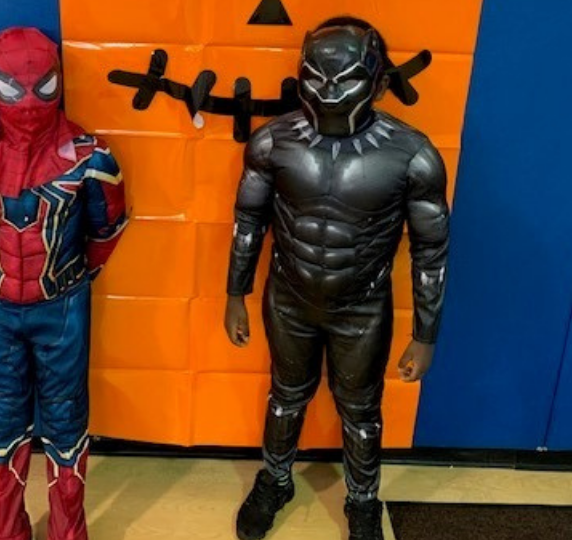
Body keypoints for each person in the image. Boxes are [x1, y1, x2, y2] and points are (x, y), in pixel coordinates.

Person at [223, 17, 450, 540]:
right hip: (289, 297)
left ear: (377, 81)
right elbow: (248, 222)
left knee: (361, 411)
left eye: (343, 79)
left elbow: (431, 250)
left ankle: (363, 501)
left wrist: (425, 332)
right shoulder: (270, 142)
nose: (328, 93)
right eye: (315, 77)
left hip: (363, 307)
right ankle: (276, 479)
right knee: (285, 396)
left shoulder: (413, 155)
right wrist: (236, 292)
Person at [0, 27, 127, 540]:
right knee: (4, 415)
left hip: (60, 304)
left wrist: (71, 280)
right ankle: (7, 523)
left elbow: (107, 228)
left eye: (42, 87)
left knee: (67, 415)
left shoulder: (92, 159)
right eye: (13, 88)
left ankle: (68, 525)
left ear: (59, 81)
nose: (28, 102)